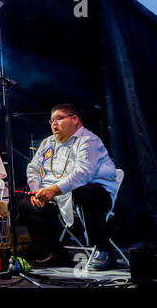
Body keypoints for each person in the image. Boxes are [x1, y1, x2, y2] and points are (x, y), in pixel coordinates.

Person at [19, 103, 117, 270]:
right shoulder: (47, 143)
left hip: (95, 194)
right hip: (59, 196)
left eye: (59, 118)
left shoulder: (88, 140)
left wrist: (53, 190)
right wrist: (37, 192)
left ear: (74, 119)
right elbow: (33, 167)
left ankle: (103, 249)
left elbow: (83, 173)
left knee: (83, 192)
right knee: (25, 204)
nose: (54, 124)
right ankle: (57, 253)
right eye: (51, 121)